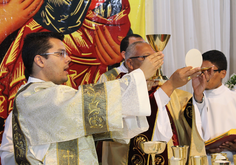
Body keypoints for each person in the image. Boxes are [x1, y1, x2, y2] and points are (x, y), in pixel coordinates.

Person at [0, 31, 165, 165]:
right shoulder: (33, 97)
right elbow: (84, 103)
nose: (68, 58)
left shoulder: (55, 94)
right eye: (60, 53)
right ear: (40, 60)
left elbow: (87, 117)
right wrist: (140, 75)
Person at [99, 41, 206, 165]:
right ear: (130, 63)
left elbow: (186, 117)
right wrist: (171, 84)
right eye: (147, 58)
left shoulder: (160, 85)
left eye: (156, 58)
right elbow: (139, 112)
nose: (155, 63)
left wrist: (198, 96)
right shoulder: (119, 86)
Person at [192, 50, 236, 164]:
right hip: (206, 160)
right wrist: (204, 148)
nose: (205, 76)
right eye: (202, 71)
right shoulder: (194, 100)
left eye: (209, 71)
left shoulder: (233, 98)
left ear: (223, 73)